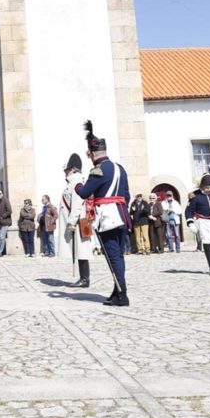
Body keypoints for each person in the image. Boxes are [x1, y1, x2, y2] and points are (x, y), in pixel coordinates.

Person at [74, 121, 131, 307]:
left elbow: (83, 193)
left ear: (92, 154)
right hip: (121, 215)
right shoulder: (119, 168)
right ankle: (117, 291)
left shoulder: (97, 170)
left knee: (112, 255)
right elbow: (127, 195)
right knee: (118, 254)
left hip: (108, 218)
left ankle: (122, 295)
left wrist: (77, 182)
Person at [61, 154, 91, 288]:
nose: (65, 172)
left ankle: (85, 279)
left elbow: (77, 203)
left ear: (72, 169)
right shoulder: (72, 181)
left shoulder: (77, 181)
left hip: (80, 221)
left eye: (67, 169)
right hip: (77, 220)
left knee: (82, 250)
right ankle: (83, 277)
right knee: (78, 250)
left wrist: (71, 222)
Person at [0, 190, 13, 257]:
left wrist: (3, 216)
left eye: (0, 193)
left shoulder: (6, 200)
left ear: (2, 194)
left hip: (5, 222)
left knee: (1, 237)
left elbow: (9, 211)